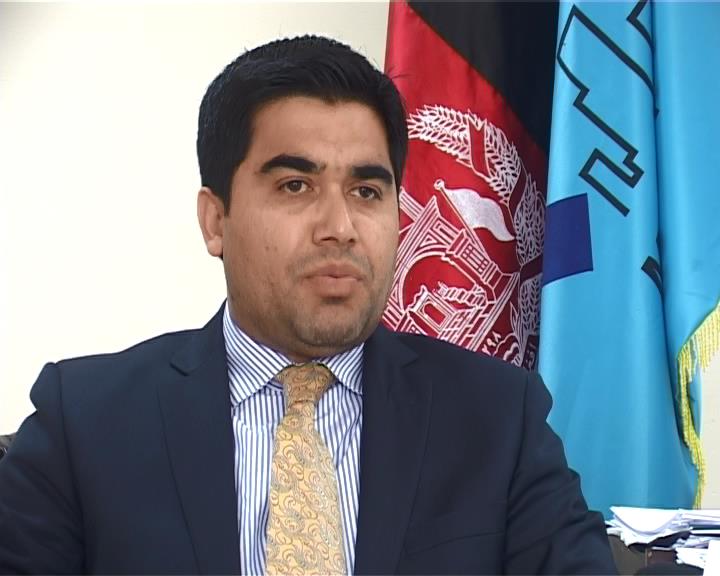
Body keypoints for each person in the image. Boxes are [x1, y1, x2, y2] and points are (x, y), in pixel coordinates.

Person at [0, 35, 617, 575]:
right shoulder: (84, 424)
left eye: (367, 191)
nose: (340, 227)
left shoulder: (497, 419)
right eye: (295, 185)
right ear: (215, 221)